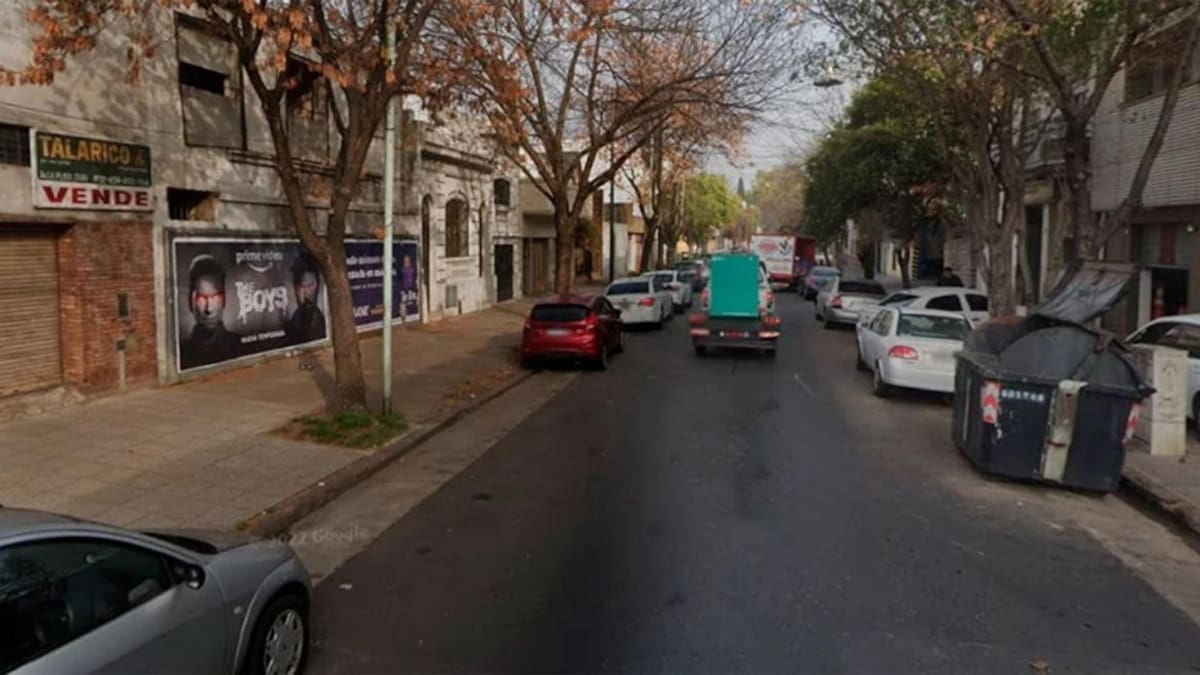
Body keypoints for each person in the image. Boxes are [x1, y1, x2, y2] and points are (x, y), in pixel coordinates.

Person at [179, 255, 241, 370]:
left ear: (224, 300)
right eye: (202, 298)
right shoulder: (182, 352)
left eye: (215, 297)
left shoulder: (238, 345)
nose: (209, 309)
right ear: (190, 301)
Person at [285, 253, 327, 344]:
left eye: (310, 285)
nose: (306, 293)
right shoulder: (293, 321)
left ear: (317, 285)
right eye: (301, 287)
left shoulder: (321, 321)